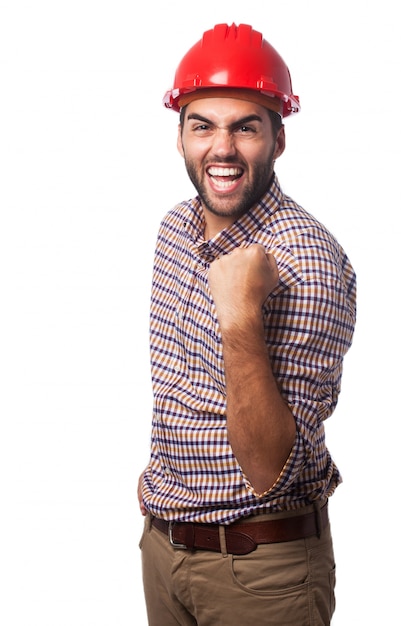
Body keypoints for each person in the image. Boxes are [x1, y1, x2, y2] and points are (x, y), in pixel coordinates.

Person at [137, 23, 356, 626]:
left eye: (246, 127)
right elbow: (180, 387)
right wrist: (160, 488)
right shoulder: (174, 232)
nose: (222, 149)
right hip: (164, 550)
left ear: (278, 139)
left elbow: (270, 470)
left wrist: (239, 315)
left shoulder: (307, 260)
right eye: (203, 125)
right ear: (179, 135)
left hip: (260, 569)